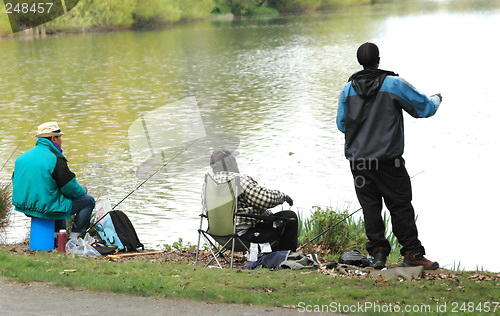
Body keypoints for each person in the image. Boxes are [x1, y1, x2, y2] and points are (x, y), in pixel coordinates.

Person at [336, 42, 441, 270]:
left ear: (359, 62)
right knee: (400, 206)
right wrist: (436, 99)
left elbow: (342, 125)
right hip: (389, 163)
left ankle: (379, 254)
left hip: (359, 164)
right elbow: (424, 109)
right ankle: (412, 254)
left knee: (370, 207)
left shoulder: (347, 91)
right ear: (379, 59)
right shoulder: (393, 84)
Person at [12, 122, 95, 240]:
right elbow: (70, 188)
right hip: (44, 207)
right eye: (60, 137)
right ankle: (74, 240)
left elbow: (16, 180)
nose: (61, 141)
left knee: (58, 199)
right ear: (53, 138)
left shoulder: (23, 157)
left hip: (25, 206)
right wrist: (83, 190)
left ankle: (57, 237)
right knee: (88, 201)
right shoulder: (55, 157)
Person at [202, 149, 297, 252]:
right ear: (228, 163)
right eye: (233, 159)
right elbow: (265, 200)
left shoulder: (208, 184)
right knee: (290, 217)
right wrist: (283, 196)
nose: (236, 162)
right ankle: (286, 257)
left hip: (218, 235)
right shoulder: (239, 180)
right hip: (243, 236)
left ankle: (272, 254)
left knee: (268, 217)